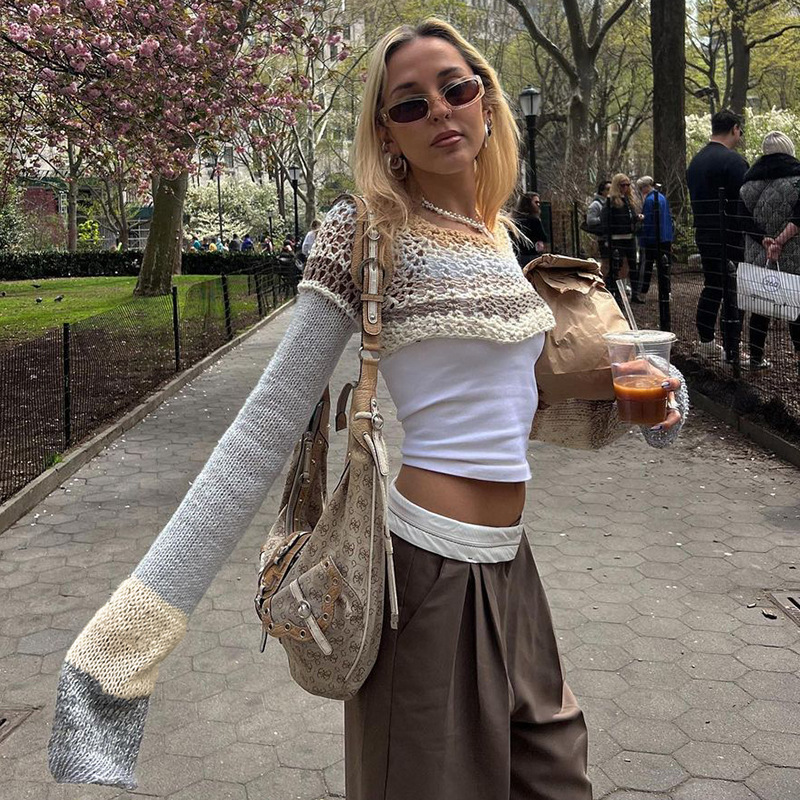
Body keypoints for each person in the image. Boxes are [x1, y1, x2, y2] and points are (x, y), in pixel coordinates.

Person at [48, 18, 687, 800]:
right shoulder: (364, 232)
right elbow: (262, 429)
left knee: (555, 774)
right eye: (410, 104)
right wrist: (132, 635)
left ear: (486, 101)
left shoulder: (497, 234)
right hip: (424, 575)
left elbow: (514, 404)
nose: (441, 111)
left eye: (455, 89)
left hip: (514, 566)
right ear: (387, 132)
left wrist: (659, 403)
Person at [687, 109, 749, 362]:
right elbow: (743, 203)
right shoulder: (734, 162)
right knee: (734, 291)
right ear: (734, 128)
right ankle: (732, 350)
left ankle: (706, 342)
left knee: (712, 286)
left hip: (704, 232)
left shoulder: (696, 162)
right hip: (731, 235)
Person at [739, 131, 800, 371]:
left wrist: (765, 240)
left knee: (761, 303)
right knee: (797, 303)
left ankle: (756, 357)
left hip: (759, 253)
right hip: (794, 253)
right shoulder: (797, 177)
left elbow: (742, 220)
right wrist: (780, 241)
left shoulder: (747, 182)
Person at [600, 173, 642, 299]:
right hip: (616, 238)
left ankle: (635, 294)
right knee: (615, 266)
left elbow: (630, 217)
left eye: (628, 185)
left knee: (633, 266)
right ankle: (613, 292)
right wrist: (607, 238)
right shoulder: (611, 201)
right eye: (623, 185)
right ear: (617, 186)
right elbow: (605, 221)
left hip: (630, 237)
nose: (626, 187)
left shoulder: (628, 200)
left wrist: (637, 219)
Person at [634, 176, 674, 304]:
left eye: (641, 188)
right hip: (665, 237)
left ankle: (642, 292)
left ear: (646, 187)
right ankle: (666, 293)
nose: (641, 191)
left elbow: (648, 221)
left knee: (646, 266)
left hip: (651, 238)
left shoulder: (649, 200)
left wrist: (642, 235)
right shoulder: (662, 198)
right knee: (664, 267)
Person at [513, 191, 548, 267]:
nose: (538, 205)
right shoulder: (534, 220)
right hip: (531, 255)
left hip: (516, 256)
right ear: (528, 204)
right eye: (536, 202)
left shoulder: (514, 220)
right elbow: (543, 237)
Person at [585, 179, 612, 272]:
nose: (610, 191)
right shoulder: (596, 204)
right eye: (608, 189)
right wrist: (603, 219)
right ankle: (602, 278)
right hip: (603, 237)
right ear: (602, 191)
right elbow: (590, 220)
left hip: (612, 236)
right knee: (606, 262)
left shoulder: (611, 202)